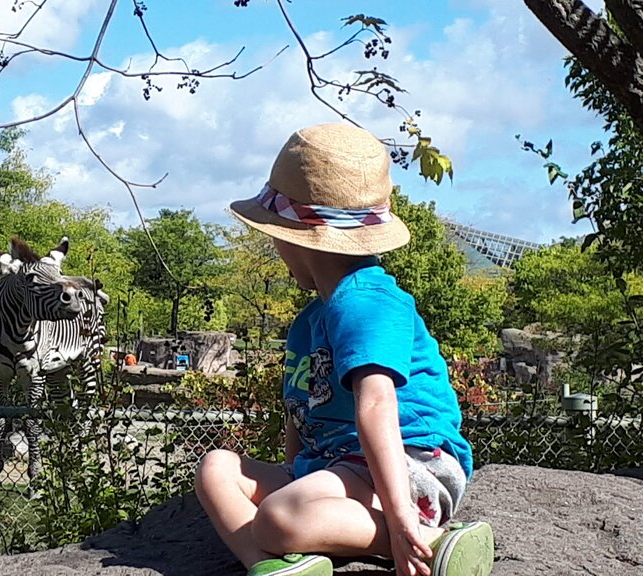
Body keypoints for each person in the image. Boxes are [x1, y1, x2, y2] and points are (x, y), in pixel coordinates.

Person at [194, 123, 494, 576]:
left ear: (293, 236)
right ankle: (272, 566)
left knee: (279, 516)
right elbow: (300, 414)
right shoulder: (309, 323)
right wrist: (297, 474)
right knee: (216, 467)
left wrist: (398, 517)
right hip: (335, 466)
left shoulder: (368, 301)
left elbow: (376, 405)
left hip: (408, 463)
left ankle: (426, 540)